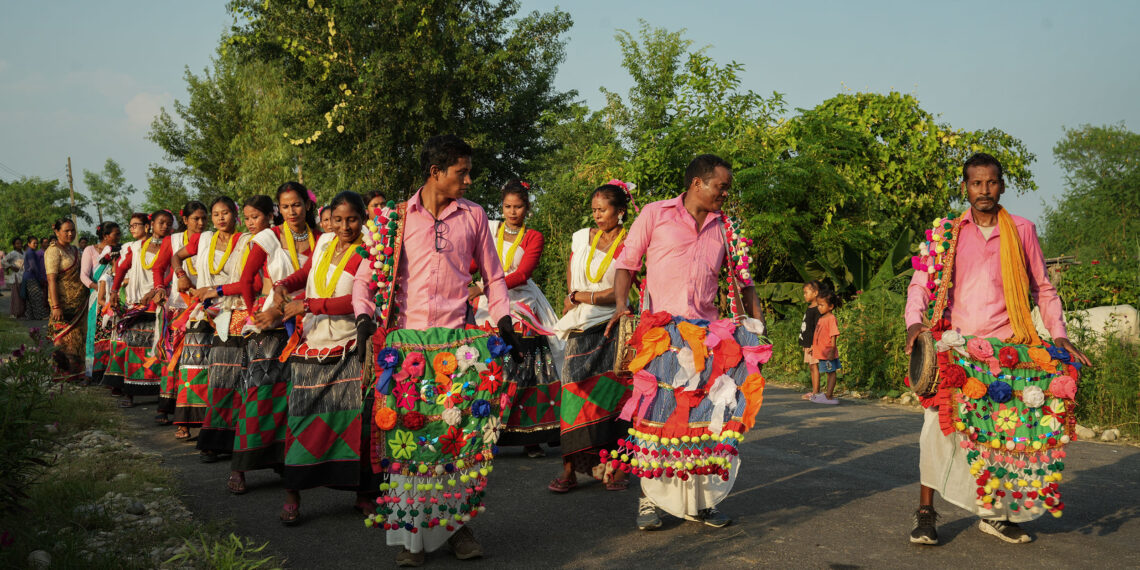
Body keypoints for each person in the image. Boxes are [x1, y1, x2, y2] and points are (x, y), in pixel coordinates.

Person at [904, 153, 1092, 546]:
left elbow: (1042, 287)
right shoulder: (947, 233)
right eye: (976, 183)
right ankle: (926, 513)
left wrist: (1058, 333)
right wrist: (915, 324)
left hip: (1009, 347)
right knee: (937, 431)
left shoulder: (1022, 229)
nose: (984, 190)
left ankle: (994, 516)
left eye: (991, 183)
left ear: (1002, 186)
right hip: (957, 345)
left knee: (1000, 433)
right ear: (965, 188)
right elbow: (921, 284)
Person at [363, 134, 518, 567]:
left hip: (458, 347)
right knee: (410, 438)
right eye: (460, 172)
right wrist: (363, 319)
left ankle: (457, 526)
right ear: (435, 172)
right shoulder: (393, 219)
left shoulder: (474, 216)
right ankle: (412, 538)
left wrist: (504, 320)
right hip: (406, 346)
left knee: (454, 440)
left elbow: (495, 276)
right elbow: (365, 279)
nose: (468, 180)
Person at [606, 154, 770, 532]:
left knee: (707, 421)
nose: (725, 194)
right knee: (657, 419)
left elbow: (745, 283)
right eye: (721, 186)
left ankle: (702, 503)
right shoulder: (654, 214)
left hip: (711, 337)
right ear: (698, 183)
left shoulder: (728, 226)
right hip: (663, 335)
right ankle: (649, 501)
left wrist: (755, 329)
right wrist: (620, 306)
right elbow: (627, 264)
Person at [270, 191, 379, 525]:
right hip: (312, 345)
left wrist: (307, 305)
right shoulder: (324, 243)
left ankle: (363, 495)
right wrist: (282, 284)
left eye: (352, 219)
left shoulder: (372, 252)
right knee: (301, 420)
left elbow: (353, 301)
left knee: (354, 424)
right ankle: (293, 493)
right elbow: (308, 274)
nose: (344, 226)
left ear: (363, 219)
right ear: (328, 219)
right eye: (338, 219)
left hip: (349, 346)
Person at [469, 179, 564, 458]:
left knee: (527, 368)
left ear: (527, 207)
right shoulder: (491, 231)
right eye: (508, 206)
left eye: (518, 206)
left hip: (521, 300)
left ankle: (532, 437)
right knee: (487, 368)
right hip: (490, 301)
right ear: (502, 206)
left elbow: (523, 273)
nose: (512, 212)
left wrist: (483, 286)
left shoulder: (533, 236)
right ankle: (484, 433)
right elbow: (475, 263)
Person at [549, 181, 633, 493]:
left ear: (620, 212)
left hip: (614, 326)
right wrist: (575, 296)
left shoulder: (630, 242)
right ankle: (569, 470)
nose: (596, 215)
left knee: (616, 397)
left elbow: (620, 291)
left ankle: (618, 468)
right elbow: (572, 277)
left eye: (603, 209)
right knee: (573, 395)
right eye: (594, 210)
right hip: (581, 325)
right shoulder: (581, 238)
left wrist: (583, 295)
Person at [188, 197, 252, 463]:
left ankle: (244, 438)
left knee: (244, 378)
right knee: (221, 377)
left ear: (235, 215)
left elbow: (251, 279)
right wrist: (182, 277)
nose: (220, 218)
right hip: (216, 313)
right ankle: (215, 438)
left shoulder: (247, 240)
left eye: (225, 213)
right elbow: (175, 258)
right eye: (215, 214)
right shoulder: (204, 240)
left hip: (242, 310)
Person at [153, 201, 210, 440]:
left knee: (201, 364)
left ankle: (201, 418)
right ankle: (177, 415)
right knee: (177, 362)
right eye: (195, 218)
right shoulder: (174, 241)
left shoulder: (211, 238)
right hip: (179, 308)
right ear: (185, 220)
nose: (200, 223)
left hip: (207, 307)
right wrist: (160, 288)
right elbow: (159, 267)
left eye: (203, 218)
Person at [111, 211, 173, 408]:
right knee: (133, 347)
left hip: (161, 303)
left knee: (159, 347)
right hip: (138, 304)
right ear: (150, 225)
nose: (164, 227)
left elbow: (170, 272)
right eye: (161, 223)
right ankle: (130, 394)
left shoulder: (173, 246)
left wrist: (158, 290)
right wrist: (113, 291)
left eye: (168, 224)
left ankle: (159, 392)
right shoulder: (137, 247)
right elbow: (121, 268)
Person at [45, 218, 88, 382]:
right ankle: (62, 375)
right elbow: (51, 280)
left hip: (79, 304)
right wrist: (56, 306)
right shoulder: (54, 251)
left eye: (73, 230)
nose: (70, 233)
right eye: (66, 231)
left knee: (78, 339)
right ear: (56, 232)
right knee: (63, 339)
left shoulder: (74, 250)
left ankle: (77, 373)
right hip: (62, 304)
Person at [81, 222, 120, 384]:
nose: (118, 237)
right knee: (93, 334)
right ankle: (90, 373)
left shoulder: (119, 250)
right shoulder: (90, 250)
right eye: (115, 234)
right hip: (97, 297)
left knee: (111, 334)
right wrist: (100, 288)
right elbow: (84, 276)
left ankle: (108, 373)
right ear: (105, 236)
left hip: (115, 296)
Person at [809, 290, 840, 405]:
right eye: (818, 305)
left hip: (828, 353)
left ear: (831, 306)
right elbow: (818, 335)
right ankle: (828, 395)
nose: (819, 308)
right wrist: (814, 346)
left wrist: (832, 350)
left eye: (822, 305)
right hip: (822, 353)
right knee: (828, 372)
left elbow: (833, 335)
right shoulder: (821, 319)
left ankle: (829, 396)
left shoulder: (831, 319)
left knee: (831, 372)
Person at [798, 280, 822, 400]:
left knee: (814, 366)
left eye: (806, 292)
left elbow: (817, 328)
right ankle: (814, 391)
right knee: (811, 367)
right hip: (809, 344)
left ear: (815, 293)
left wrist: (814, 344)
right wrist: (805, 343)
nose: (804, 295)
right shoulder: (810, 308)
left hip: (814, 344)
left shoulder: (818, 309)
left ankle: (816, 392)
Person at [23, 236, 49, 320]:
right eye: (34, 243)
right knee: (37, 297)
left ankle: (30, 316)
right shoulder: (30, 252)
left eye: (37, 243)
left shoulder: (32, 252)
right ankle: (41, 316)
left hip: (28, 277)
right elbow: (33, 267)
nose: (36, 244)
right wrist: (40, 277)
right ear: (28, 244)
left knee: (30, 298)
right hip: (31, 277)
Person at [6, 238, 26, 318]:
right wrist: (11, 267)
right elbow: (4, 261)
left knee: (23, 295)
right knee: (16, 295)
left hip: (24, 275)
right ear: (14, 245)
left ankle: (23, 312)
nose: (19, 245)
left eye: (20, 243)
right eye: (17, 243)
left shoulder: (24, 252)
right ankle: (15, 312)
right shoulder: (12, 253)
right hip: (16, 277)